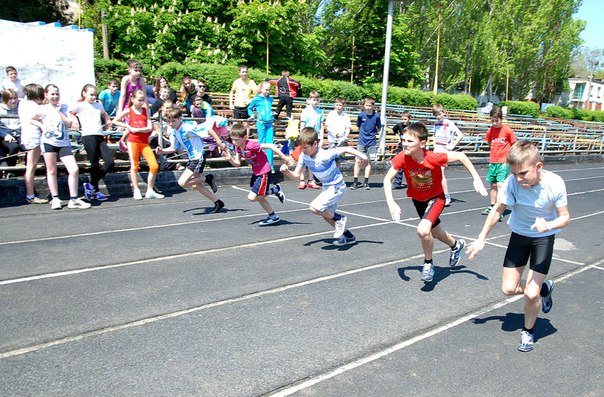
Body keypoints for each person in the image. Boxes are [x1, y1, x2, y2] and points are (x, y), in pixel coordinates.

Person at [466, 140, 570, 352]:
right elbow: (497, 210)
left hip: (543, 238)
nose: (518, 179)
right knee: (508, 289)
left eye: (523, 173)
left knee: (531, 294)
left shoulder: (555, 183)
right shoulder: (512, 182)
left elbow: (565, 217)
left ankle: (528, 331)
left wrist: (548, 225)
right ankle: (544, 288)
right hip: (519, 236)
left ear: (538, 166)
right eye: (514, 173)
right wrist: (481, 238)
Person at [383, 122, 487, 282]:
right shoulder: (402, 157)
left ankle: (428, 264)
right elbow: (387, 179)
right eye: (403, 140)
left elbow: (461, 156)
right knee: (436, 233)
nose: (405, 144)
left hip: (436, 198)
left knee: (423, 230)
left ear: (422, 143)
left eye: (410, 141)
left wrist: (476, 179)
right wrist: (391, 202)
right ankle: (456, 245)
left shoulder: (432, 157)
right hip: (418, 200)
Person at [280, 127, 370, 246]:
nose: (303, 150)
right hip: (327, 187)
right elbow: (297, 175)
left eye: (306, 147)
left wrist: (364, 157)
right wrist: (286, 172)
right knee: (326, 215)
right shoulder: (303, 156)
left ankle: (340, 218)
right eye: (302, 147)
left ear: (315, 144)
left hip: (337, 186)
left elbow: (346, 148)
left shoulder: (325, 155)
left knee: (315, 208)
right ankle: (349, 237)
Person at [222, 123, 291, 225]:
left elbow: (270, 146)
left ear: (245, 137)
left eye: (236, 140)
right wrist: (230, 159)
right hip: (256, 172)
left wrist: (284, 157)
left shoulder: (251, 145)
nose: (234, 142)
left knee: (252, 197)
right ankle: (273, 216)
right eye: (232, 140)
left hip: (264, 172)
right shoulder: (238, 148)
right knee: (259, 196)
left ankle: (275, 190)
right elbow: (237, 164)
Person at [157, 108, 225, 213]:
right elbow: (175, 148)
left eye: (173, 121)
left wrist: (219, 143)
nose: (171, 123)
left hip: (198, 158)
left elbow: (208, 130)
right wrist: (162, 151)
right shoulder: (175, 132)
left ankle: (207, 178)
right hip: (192, 159)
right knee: (195, 184)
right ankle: (218, 202)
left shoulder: (188, 128)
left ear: (180, 119)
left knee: (182, 182)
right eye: (169, 121)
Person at [35, 84, 90, 210]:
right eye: (52, 94)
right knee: (51, 170)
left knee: (74, 169)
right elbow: (32, 119)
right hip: (49, 142)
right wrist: (41, 126)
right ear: (46, 95)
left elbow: (69, 123)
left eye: (57, 94)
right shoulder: (42, 108)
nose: (55, 96)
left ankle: (74, 199)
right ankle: (55, 198)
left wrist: (58, 111)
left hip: (63, 143)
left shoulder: (64, 107)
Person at [112, 89, 164, 200]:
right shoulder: (129, 111)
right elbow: (115, 120)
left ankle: (150, 190)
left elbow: (149, 127)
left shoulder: (146, 111)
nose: (141, 102)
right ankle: (136, 190)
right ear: (133, 99)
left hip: (144, 142)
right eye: (139, 100)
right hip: (133, 141)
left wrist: (137, 130)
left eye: (142, 100)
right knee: (134, 165)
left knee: (154, 165)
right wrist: (128, 127)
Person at [69, 84, 114, 202]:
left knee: (110, 161)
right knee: (94, 164)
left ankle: (91, 185)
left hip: (99, 135)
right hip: (88, 136)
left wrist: (107, 119)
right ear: (84, 93)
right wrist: (74, 119)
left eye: (95, 95)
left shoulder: (98, 105)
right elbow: (69, 112)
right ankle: (96, 190)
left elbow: (104, 113)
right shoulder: (80, 105)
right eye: (91, 94)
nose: (94, 97)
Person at [482, 105, 517, 220]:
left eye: (496, 121)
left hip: (503, 161)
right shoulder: (491, 130)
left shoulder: (507, 130)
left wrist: (509, 158)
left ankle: (499, 207)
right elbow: (489, 142)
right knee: (492, 185)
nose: (494, 123)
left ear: (501, 119)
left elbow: (514, 144)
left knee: (500, 184)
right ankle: (492, 206)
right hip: (493, 161)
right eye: (492, 121)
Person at [19, 83, 47, 204]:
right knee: (31, 166)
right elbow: (36, 119)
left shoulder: (23, 103)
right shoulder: (34, 106)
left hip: (27, 135)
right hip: (33, 136)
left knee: (31, 166)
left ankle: (31, 193)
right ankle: (30, 195)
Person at [432, 103, 464, 206]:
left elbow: (460, 135)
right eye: (436, 115)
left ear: (444, 113)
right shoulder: (436, 124)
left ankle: (446, 196)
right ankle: (438, 194)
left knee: (440, 173)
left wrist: (452, 145)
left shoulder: (449, 123)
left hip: (444, 151)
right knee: (434, 174)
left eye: (440, 114)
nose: (439, 116)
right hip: (437, 150)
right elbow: (434, 135)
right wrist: (434, 145)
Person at [351, 96, 381, 190]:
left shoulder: (376, 116)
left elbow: (379, 128)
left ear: (373, 106)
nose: (368, 107)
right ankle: (355, 182)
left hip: (371, 142)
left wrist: (372, 134)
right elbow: (359, 126)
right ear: (364, 105)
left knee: (368, 162)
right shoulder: (361, 115)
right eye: (366, 105)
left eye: (369, 105)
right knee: (358, 161)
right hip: (361, 142)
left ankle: (366, 182)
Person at [298, 90, 324, 189]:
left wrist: (321, 138)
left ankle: (311, 179)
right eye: (314, 99)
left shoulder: (320, 112)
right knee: (303, 159)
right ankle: (301, 180)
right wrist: (301, 137)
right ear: (309, 100)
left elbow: (321, 126)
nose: (315, 101)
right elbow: (302, 125)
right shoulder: (305, 111)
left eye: (317, 100)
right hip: (306, 136)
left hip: (315, 137)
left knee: (312, 159)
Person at [247, 81, 275, 171]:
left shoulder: (270, 99)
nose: (268, 91)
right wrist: (252, 115)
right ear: (261, 89)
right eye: (266, 89)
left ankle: (270, 165)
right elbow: (249, 108)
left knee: (270, 144)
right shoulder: (257, 99)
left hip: (269, 123)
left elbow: (269, 109)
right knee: (262, 144)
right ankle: (263, 163)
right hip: (261, 123)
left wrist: (273, 114)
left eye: (269, 90)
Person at [229, 65, 257, 138]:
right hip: (237, 106)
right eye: (243, 72)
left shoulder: (251, 82)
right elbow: (231, 92)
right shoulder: (236, 82)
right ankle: (233, 138)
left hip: (246, 106)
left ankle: (246, 139)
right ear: (239, 73)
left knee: (246, 124)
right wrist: (231, 103)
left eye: (246, 72)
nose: (244, 73)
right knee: (235, 123)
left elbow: (257, 95)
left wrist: (250, 100)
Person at [0, 89, 23, 174]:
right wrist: (5, 135)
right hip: (5, 134)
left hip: (19, 133)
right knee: (14, 147)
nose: (13, 100)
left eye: (15, 98)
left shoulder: (21, 107)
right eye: (10, 98)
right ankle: (10, 170)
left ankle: (28, 170)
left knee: (28, 147)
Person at [391, 110, 411, 189]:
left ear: (409, 119)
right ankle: (397, 182)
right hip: (401, 147)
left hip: (409, 148)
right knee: (399, 165)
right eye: (402, 119)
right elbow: (394, 130)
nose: (403, 121)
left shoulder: (412, 126)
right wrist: (398, 137)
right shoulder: (399, 125)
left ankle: (412, 182)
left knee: (410, 166)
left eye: (405, 119)